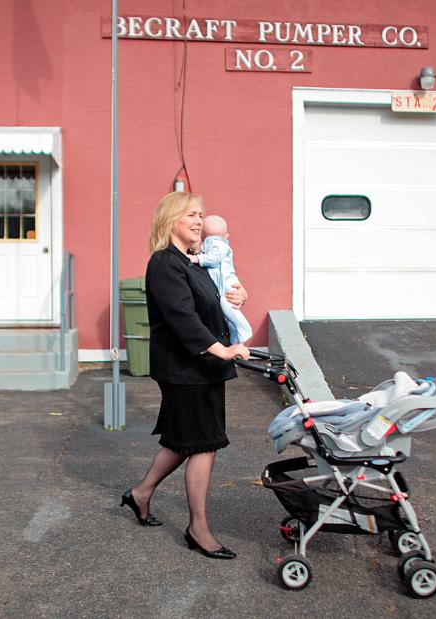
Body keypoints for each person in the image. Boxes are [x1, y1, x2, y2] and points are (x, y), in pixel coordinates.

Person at [120, 191, 250, 560]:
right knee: (204, 443)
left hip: (201, 367)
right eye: (191, 214)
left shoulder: (194, 263)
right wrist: (222, 349)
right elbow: (183, 319)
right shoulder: (165, 264)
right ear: (171, 220)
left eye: (201, 215)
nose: (199, 221)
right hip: (186, 369)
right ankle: (198, 528)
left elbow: (213, 304)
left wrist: (238, 295)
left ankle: (141, 493)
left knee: (183, 439)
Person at [188, 215, 253, 344]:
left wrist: (243, 295)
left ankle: (242, 331)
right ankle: (240, 332)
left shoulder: (216, 247)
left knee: (228, 307)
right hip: (209, 339)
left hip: (225, 286)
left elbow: (216, 258)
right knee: (227, 309)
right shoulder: (188, 259)